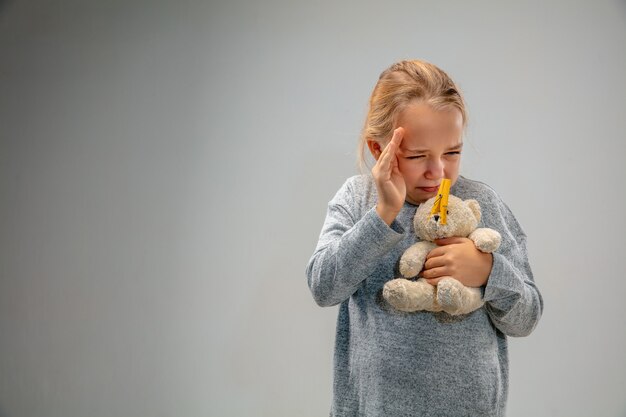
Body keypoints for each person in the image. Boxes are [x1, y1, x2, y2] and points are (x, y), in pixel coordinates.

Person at [305, 60, 543, 417]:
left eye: (452, 152)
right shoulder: (357, 199)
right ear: (377, 149)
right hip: (373, 408)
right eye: (417, 156)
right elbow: (324, 287)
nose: (438, 171)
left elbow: (526, 318)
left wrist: (489, 271)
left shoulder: (484, 206)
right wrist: (383, 214)